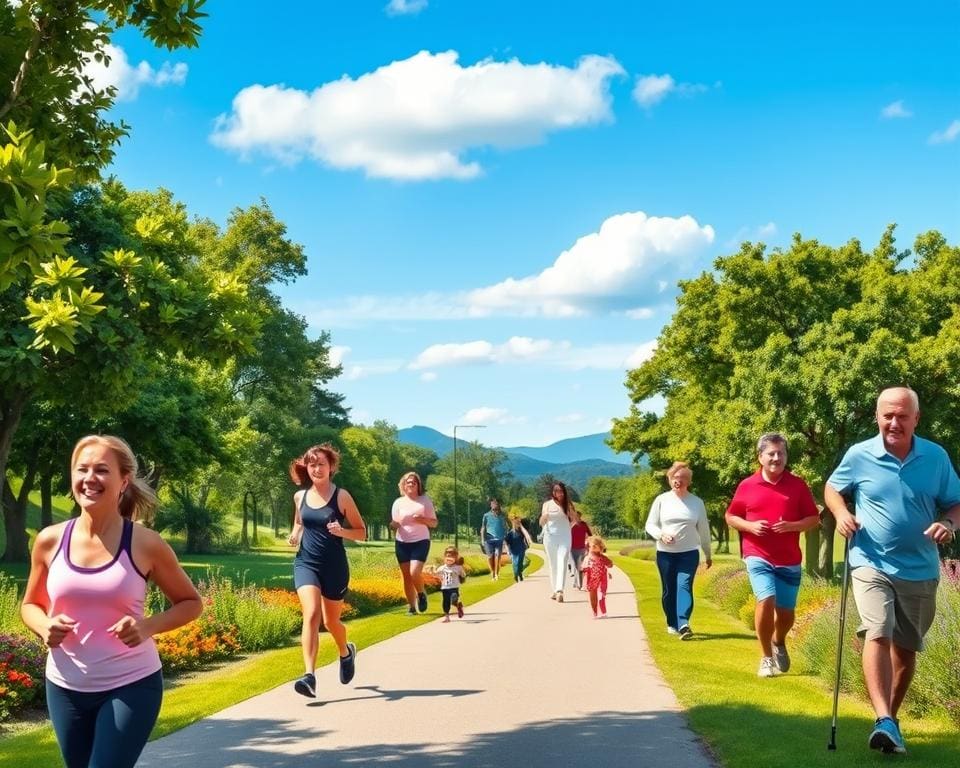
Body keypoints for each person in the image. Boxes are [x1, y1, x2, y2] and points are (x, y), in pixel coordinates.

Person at [20, 435, 203, 768]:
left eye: (102, 470)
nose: (90, 478)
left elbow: (191, 602)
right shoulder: (49, 541)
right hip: (64, 687)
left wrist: (147, 626)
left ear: (124, 480)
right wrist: (44, 624)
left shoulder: (145, 543)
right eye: (82, 469)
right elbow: (29, 605)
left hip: (131, 685)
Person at [824, 387, 960, 755]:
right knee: (877, 630)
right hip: (870, 561)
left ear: (916, 418)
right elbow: (833, 488)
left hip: (920, 569)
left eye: (902, 416)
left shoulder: (935, 456)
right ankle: (883, 718)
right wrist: (841, 513)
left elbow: (956, 502)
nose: (894, 423)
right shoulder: (859, 455)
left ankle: (890, 723)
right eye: (887, 415)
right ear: (877, 416)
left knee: (906, 651)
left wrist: (948, 523)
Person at [725, 433, 820, 678]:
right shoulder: (747, 485)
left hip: (789, 558)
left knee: (786, 614)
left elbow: (813, 518)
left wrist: (792, 526)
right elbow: (731, 516)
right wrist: (750, 527)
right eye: (771, 454)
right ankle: (766, 657)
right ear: (760, 457)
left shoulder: (797, 485)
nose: (777, 458)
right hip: (758, 555)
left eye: (781, 453)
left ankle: (779, 640)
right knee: (765, 598)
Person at [288, 443, 367, 698]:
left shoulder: (341, 496)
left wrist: (341, 531)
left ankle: (346, 651)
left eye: (321, 463)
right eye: (312, 464)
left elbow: (362, 532)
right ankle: (309, 676)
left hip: (334, 566)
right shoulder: (300, 497)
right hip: (306, 563)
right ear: (306, 468)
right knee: (311, 614)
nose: (316, 468)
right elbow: (299, 522)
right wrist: (294, 534)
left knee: (331, 621)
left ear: (331, 467)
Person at [646, 461, 713, 640]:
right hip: (665, 554)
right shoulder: (661, 500)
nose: (679, 481)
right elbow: (650, 524)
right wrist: (661, 535)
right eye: (675, 478)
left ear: (689, 481)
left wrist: (707, 554)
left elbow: (704, 531)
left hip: (689, 553)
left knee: (684, 585)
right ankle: (672, 622)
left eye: (683, 478)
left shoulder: (696, 503)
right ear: (670, 480)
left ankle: (683, 623)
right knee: (669, 589)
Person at [389, 471, 437, 615]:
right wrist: (394, 525)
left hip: (420, 540)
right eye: (408, 482)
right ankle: (411, 607)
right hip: (402, 542)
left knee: (414, 572)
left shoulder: (424, 501)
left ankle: (421, 594)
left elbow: (434, 523)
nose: (410, 484)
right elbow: (393, 524)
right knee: (406, 576)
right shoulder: (398, 502)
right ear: (403, 485)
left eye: (413, 482)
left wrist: (422, 519)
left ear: (418, 485)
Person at [539, 482, 575, 602]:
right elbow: (541, 522)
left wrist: (570, 521)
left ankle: (560, 590)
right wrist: (545, 517)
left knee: (562, 560)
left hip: (565, 537)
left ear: (564, 491)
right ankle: (555, 590)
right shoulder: (547, 505)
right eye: (556, 491)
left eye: (561, 490)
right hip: (550, 537)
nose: (559, 493)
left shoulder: (567, 504)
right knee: (553, 564)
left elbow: (575, 520)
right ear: (552, 492)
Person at [580, 535, 614, 618]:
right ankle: (595, 612)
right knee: (593, 597)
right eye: (592, 546)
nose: (594, 547)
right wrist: (584, 569)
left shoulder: (602, 557)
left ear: (600, 548)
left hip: (602, 578)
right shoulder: (587, 558)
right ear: (589, 547)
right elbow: (583, 568)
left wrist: (608, 564)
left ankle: (603, 612)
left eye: (596, 545)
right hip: (591, 579)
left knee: (601, 595)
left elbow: (610, 565)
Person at [436, 546, 467, 622]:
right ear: (445, 557)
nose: (449, 557)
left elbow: (463, 575)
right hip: (444, 588)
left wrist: (461, 576)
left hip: (454, 587)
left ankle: (457, 604)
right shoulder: (442, 568)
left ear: (456, 557)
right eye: (448, 555)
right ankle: (447, 617)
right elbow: (436, 574)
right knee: (446, 602)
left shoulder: (458, 567)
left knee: (453, 597)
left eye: (452, 555)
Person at [480, 498, 507, 580]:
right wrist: (482, 539)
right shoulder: (486, 515)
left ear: (499, 505)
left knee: (498, 556)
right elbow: (483, 527)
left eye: (496, 504)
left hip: (499, 540)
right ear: (490, 505)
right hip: (488, 540)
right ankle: (492, 572)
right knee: (490, 557)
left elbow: (505, 527)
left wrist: (506, 539)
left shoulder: (503, 516)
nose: (494, 505)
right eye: (492, 504)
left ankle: (496, 574)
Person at [504, 515, 534, 582]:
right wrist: (508, 550)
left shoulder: (521, 531)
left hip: (521, 549)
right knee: (515, 564)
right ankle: (515, 575)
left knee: (520, 563)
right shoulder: (510, 533)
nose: (517, 524)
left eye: (518, 523)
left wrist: (521, 526)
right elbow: (506, 542)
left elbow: (526, 535)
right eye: (516, 523)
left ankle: (519, 574)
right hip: (513, 551)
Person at [569, 508, 593, 590]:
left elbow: (590, 535)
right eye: (575, 517)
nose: (576, 518)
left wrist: (589, 544)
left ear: (580, 517)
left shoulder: (584, 524)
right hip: (571, 549)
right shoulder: (570, 525)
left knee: (580, 567)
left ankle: (579, 584)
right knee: (576, 566)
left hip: (582, 548)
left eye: (578, 517)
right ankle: (576, 582)